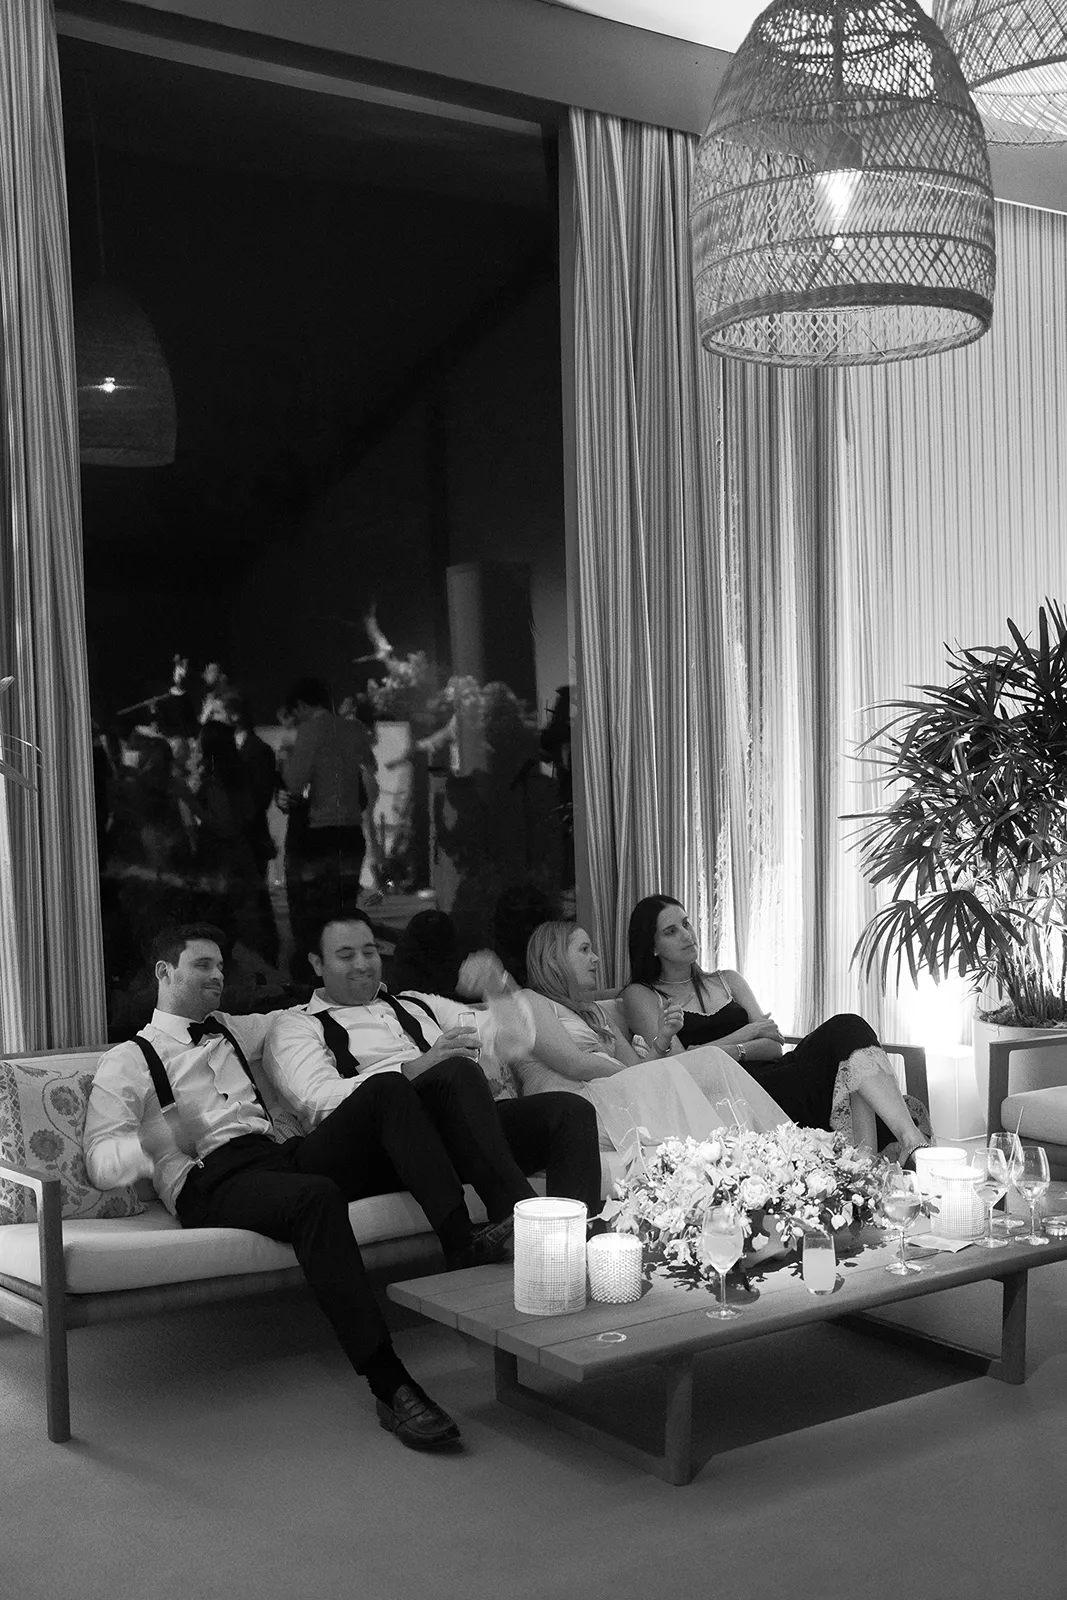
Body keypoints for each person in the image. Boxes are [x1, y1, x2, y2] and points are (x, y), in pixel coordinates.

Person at [83, 922, 525, 1454]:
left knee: (386, 1089)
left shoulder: (235, 1029)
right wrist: (158, 1138)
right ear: (164, 973)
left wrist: (487, 995)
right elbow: (101, 1165)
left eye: (222, 966)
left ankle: (460, 1242)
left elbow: (310, 1015)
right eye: (203, 966)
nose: (218, 976)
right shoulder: (127, 1061)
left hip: (276, 1157)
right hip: (210, 1181)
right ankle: (392, 1385)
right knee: (316, 1197)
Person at [265, 909, 603, 1220]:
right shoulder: (297, 1025)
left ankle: (578, 1238)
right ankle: (521, 1218)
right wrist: (413, 1071)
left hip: (464, 1135)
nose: (362, 964)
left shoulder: (416, 1004)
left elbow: (514, 1040)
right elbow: (315, 1101)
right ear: (317, 963)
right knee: (453, 1070)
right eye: (345, 955)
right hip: (388, 1151)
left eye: (369, 952)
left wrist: (497, 987)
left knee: (569, 1111)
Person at [621, 894, 931, 1164]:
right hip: (738, 1097)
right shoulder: (642, 994)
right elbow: (681, 1066)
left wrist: (726, 1049)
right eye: (671, 931)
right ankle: (868, 1161)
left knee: (847, 1027)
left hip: (777, 1072)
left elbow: (773, 1045)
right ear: (652, 947)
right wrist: (744, 1036)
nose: (687, 935)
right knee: (845, 1059)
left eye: (686, 924)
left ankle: (907, 1139)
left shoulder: (728, 979)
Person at [517, 921, 789, 1153]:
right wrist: (630, 1076)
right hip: (574, 1105)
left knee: (710, 1063)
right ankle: (757, 1153)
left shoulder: (594, 1011)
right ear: (554, 958)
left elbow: (638, 1069)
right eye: (584, 949)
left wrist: (663, 1039)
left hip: (613, 1092)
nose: (596, 958)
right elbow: (574, 1064)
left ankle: (755, 1155)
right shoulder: (530, 1001)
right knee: (708, 1063)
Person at [278, 678, 378, 925]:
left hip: (322, 832)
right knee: (345, 909)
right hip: (353, 831)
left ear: (301, 705)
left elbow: (294, 782)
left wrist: (287, 752)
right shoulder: (353, 728)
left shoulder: (310, 731)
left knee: (321, 914)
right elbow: (370, 765)